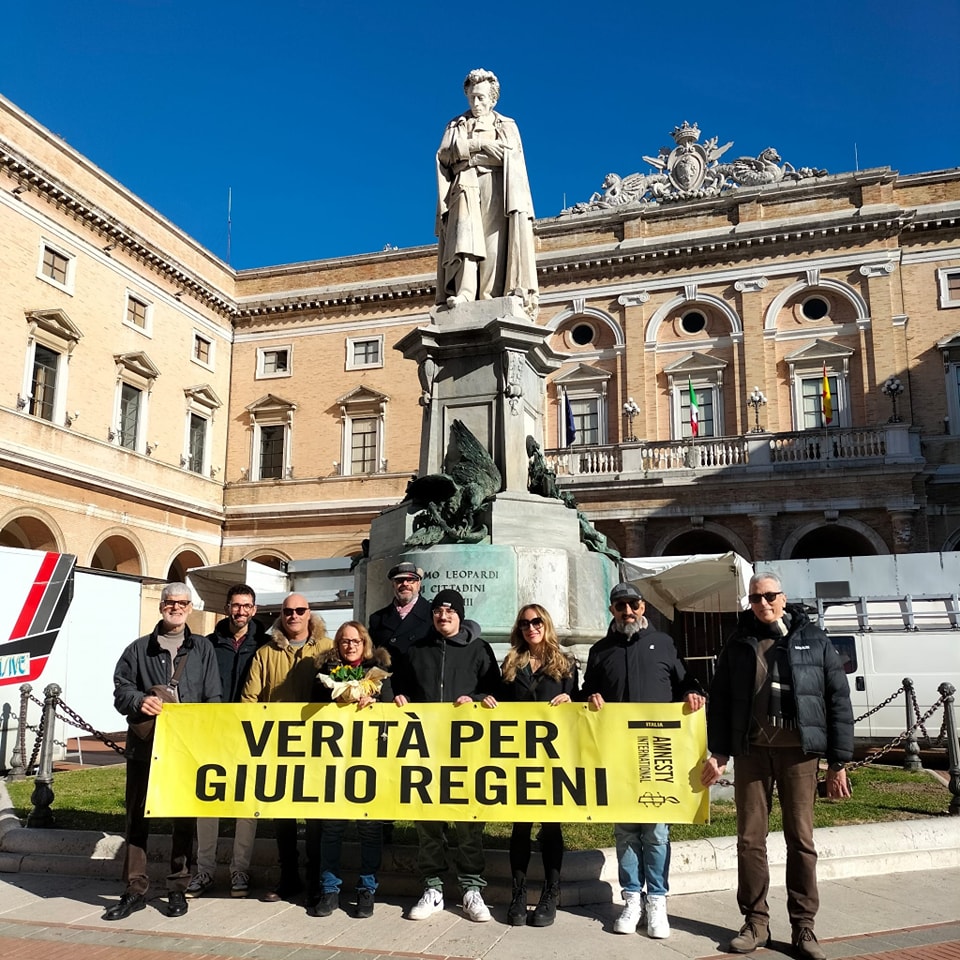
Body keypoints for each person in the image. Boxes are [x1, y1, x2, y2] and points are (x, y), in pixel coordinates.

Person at [700, 573, 853, 960]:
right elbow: (720, 700)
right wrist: (720, 752)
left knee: (800, 840)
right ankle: (756, 922)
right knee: (750, 840)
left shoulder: (812, 638)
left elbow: (837, 698)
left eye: (770, 596)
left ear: (783, 598)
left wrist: (838, 762)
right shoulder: (739, 641)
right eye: (755, 598)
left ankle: (803, 927)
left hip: (799, 753)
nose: (763, 603)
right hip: (752, 753)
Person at [580, 582, 705, 940]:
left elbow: (685, 681)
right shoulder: (600, 650)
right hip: (618, 753)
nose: (627, 611)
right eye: (620, 606)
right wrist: (590, 697)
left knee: (656, 831)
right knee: (625, 831)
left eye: (633, 604)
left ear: (643, 606)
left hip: (658, 752)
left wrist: (693, 692)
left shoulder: (663, 643)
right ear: (612, 610)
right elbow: (585, 690)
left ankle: (657, 901)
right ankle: (632, 898)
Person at [104, 582, 221, 921]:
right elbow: (121, 691)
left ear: (190, 608)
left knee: (183, 817)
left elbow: (213, 696)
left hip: (186, 746)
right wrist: (140, 700)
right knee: (137, 816)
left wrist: (205, 736)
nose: (176, 607)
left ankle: (177, 887)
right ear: (161, 606)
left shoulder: (203, 648)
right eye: (170, 602)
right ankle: (135, 888)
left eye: (182, 603)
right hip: (145, 745)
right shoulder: (139, 649)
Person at [393, 588, 501, 923]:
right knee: (428, 820)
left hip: (466, 749)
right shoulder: (416, 650)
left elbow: (496, 690)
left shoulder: (479, 649)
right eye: (438, 611)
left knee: (468, 820)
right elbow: (399, 686)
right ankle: (433, 887)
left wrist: (477, 699)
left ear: (460, 615)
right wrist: (398, 697)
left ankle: (471, 888)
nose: (443, 616)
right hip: (425, 748)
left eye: (450, 611)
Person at [481, 604, 578, 927]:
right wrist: (488, 700)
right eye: (524, 623)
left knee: (551, 825)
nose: (531, 628)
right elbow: (498, 698)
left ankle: (551, 892)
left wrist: (571, 700)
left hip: (552, 756)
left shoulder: (566, 663)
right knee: (520, 826)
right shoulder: (511, 663)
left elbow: (579, 703)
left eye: (536, 622)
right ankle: (519, 894)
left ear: (546, 624)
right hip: (518, 754)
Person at [241, 593, 333, 907]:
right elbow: (249, 699)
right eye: (288, 611)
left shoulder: (327, 648)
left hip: (319, 745)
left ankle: (317, 879)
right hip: (277, 746)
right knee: (282, 816)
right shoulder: (265, 653)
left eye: (300, 610)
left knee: (316, 816)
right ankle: (289, 877)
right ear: (281, 615)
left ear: (309, 613)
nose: (294, 615)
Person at [186, 583, 268, 900]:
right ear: (226, 608)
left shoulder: (265, 645)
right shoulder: (207, 645)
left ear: (254, 609)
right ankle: (204, 870)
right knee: (208, 802)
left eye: (246, 606)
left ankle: (239, 870)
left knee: (247, 805)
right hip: (214, 732)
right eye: (236, 605)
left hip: (250, 734)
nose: (240, 611)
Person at [435, 68, 537, 314]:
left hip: (497, 184)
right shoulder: (456, 125)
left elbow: (509, 156)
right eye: (472, 97)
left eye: (481, 97)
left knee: (494, 241)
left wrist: (467, 153)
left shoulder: (506, 125)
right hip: (464, 184)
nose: (476, 103)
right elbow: (445, 155)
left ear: (493, 99)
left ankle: (489, 295)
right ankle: (465, 292)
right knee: (464, 239)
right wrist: (480, 144)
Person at [312, 621, 393, 919]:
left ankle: (366, 889)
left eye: (355, 641)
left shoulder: (379, 672)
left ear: (364, 643)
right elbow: (313, 708)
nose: (350, 646)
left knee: (369, 828)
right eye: (344, 641)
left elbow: (391, 710)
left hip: (369, 762)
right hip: (335, 761)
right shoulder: (325, 673)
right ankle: (329, 889)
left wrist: (376, 701)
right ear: (337, 644)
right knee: (332, 828)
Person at [368, 561, 432, 669]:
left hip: (422, 676)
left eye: (410, 580)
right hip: (389, 677)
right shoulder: (377, 619)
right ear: (393, 585)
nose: (405, 584)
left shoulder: (432, 614)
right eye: (399, 580)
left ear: (418, 584)